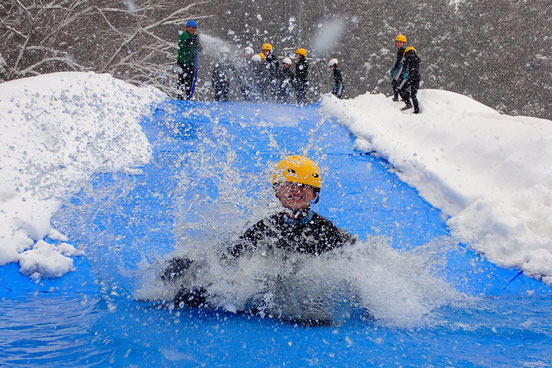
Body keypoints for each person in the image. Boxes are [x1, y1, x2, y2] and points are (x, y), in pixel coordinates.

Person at [162, 155, 356, 309]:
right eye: (290, 184)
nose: (297, 190)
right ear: (277, 191)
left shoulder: (325, 229)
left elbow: (355, 258)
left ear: (314, 194)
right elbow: (230, 258)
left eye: (305, 186)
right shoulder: (265, 227)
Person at [177, 20, 202, 100]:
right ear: (187, 27)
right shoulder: (184, 35)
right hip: (182, 62)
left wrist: (198, 44)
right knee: (181, 79)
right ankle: (180, 96)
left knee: (189, 81)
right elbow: (187, 42)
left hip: (191, 63)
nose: (192, 29)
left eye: (194, 28)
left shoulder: (194, 38)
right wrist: (194, 39)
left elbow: (200, 49)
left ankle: (188, 96)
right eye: (191, 27)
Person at [398, 46, 421, 114]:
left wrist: (403, 76)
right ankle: (416, 110)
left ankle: (408, 102)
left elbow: (404, 70)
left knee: (400, 89)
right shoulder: (417, 59)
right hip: (416, 78)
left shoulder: (406, 59)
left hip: (409, 78)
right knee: (414, 95)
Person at [390, 34, 407, 102]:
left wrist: (395, 68)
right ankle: (404, 96)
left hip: (402, 70)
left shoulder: (402, 50)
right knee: (399, 84)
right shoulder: (401, 50)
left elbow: (399, 61)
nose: (398, 44)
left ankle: (397, 97)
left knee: (395, 83)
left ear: (403, 43)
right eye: (397, 42)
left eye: (400, 42)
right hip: (402, 70)